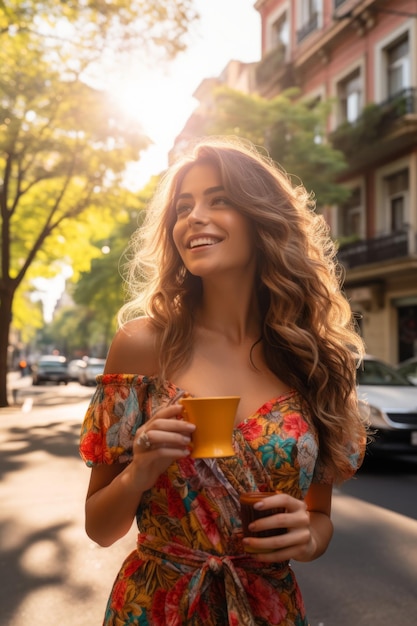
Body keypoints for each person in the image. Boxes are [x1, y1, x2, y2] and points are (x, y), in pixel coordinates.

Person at [79, 136, 368, 625]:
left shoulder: (313, 360)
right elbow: (100, 529)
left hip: (266, 608)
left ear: (262, 221)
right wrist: (139, 471)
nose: (193, 216)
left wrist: (310, 537)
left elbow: (319, 517)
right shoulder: (141, 344)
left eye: (220, 200)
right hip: (156, 607)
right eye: (183, 206)